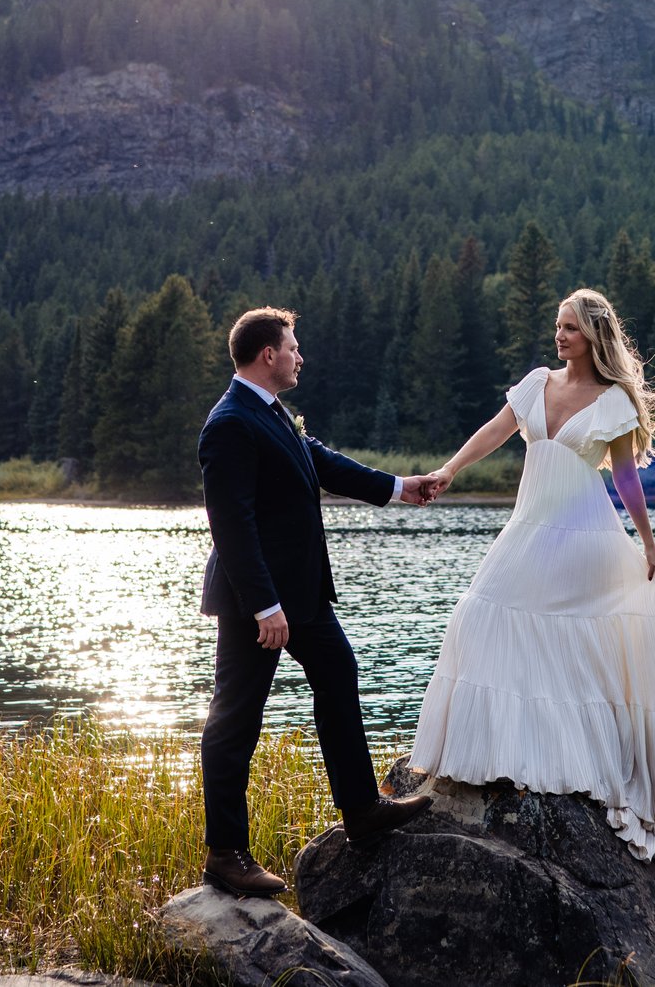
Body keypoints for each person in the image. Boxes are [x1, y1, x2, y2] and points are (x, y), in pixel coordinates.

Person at [407, 287, 655, 881]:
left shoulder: (614, 402)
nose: (560, 336)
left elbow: (626, 479)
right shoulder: (536, 383)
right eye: (557, 326)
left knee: (573, 644)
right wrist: (449, 469)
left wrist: (649, 546)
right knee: (479, 612)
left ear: (594, 337)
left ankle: (577, 761)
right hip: (531, 525)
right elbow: (495, 430)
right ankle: (502, 752)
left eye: (570, 329)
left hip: (585, 538)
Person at [196, 306, 444, 898]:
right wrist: (263, 607)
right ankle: (225, 854)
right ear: (267, 356)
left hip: (302, 595)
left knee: (340, 673)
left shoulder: (273, 414)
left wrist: (398, 487)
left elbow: (322, 463)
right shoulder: (229, 423)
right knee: (236, 718)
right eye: (293, 347)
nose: (300, 356)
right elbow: (232, 525)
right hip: (257, 604)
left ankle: (361, 811)